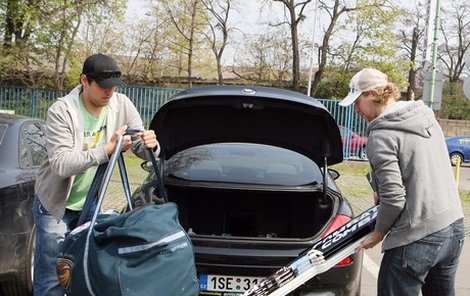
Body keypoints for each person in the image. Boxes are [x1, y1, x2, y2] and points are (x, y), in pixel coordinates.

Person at [33, 53, 160, 296]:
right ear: (84, 81)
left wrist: (150, 144)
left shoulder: (121, 104)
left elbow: (140, 147)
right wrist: (107, 150)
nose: (109, 92)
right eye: (103, 86)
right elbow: (61, 164)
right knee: (53, 279)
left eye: (113, 86)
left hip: (93, 203)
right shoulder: (62, 111)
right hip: (56, 206)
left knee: (88, 273)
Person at [340, 68, 465, 296]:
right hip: (453, 226)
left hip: (416, 235)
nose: (356, 110)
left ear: (374, 93)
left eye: (358, 101)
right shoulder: (426, 117)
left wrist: (377, 235)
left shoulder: (381, 136)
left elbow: (395, 198)